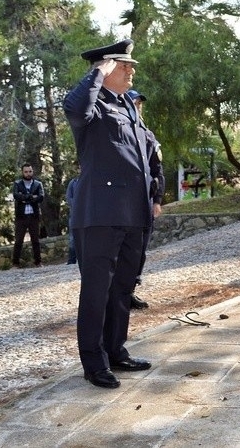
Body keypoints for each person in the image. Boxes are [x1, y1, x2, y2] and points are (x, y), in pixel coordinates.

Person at [62, 38, 153, 389]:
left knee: (122, 289)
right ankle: (94, 363)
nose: (131, 70)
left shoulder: (128, 105)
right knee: (98, 290)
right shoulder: (91, 104)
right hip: (99, 213)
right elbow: (74, 107)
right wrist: (97, 72)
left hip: (134, 212)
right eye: (124, 64)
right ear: (106, 68)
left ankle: (116, 351)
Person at [125, 90, 164, 310]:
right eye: (134, 102)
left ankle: (130, 290)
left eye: (139, 103)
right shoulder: (120, 129)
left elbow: (158, 169)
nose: (138, 106)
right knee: (125, 250)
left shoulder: (147, 134)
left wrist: (157, 200)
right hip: (126, 201)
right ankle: (119, 292)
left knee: (140, 249)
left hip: (145, 201)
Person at [11, 163, 45, 268]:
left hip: (34, 216)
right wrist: (30, 197)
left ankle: (38, 262)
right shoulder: (17, 184)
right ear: (22, 172)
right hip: (21, 217)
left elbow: (41, 197)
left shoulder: (38, 184)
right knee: (18, 240)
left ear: (32, 171)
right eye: (26, 171)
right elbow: (16, 196)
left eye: (30, 171)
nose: (28, 173)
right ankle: (15, 263)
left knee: (35, 240)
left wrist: (25, 197)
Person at [65, 176, 78, 265]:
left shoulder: (90, 180)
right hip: (74, 214)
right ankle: (72, 259)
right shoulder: (73, 182)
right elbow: (68, 198)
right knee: (72, 238)